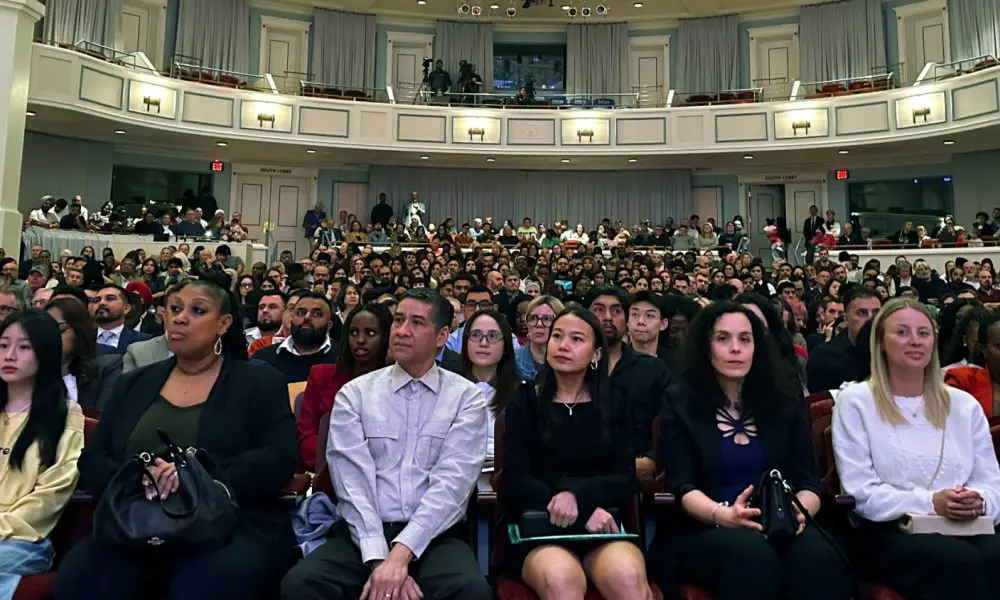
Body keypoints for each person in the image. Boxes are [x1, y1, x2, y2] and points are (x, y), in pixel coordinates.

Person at [54, 280, 299, 600]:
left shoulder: (259, 382)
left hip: (228, 521)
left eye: (197, 310)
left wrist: (190, 476)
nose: (180, 318)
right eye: (174, 309)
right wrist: (140, 476)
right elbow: (95, 457)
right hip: (135, 517)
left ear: (224, 323)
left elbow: (276, 458)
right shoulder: (134, 384)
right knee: (80, 579)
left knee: (204, 584)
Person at [281, 289, 491, 600]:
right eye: (398, 320)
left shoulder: (466, 397)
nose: (402, 330)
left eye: (417, 322)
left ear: (442, 335)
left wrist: (400, 556)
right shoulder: (356, 394)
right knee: (302, 584)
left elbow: (452, 486)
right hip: (362, 532)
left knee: (470, 590)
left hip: (435, 535)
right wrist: (381, 559)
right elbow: (352, 483)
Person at [649, 302, 852, 599]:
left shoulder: (784, 399)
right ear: (705, 346)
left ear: (757, 347)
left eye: (745, 339)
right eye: (723, 339)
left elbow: (808, 482)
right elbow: (683, 486)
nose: (735, 349)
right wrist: (724, 515)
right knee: (752, 556)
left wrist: (799, 513)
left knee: (818, 558)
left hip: (782, 522)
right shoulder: (680, 401)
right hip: (706, 526)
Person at [832, 298, 1000, 600]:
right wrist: (931, 502)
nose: (915, 341)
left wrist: (979, 501)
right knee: (958, 562)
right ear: (881, 342)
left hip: (964, 524)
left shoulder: (963, 405)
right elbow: (860, 492)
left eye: (924, 333)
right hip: (889, 531)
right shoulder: (856, 401)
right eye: (902, 332)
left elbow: (991, 482)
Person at [501, 307, 651, 599]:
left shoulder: (615, 401)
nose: (563, 345)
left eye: (576, 339)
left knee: (628, 579)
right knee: (561, 580)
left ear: (596, 354)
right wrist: (578, 508)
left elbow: (624, 478)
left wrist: (577, 498)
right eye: (557, 336)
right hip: (541, 528)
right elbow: (516, 478)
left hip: (603, 525)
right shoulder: (525, 401)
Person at [0, 309, 85, 599]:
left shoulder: (65, 415)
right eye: (3, 345)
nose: (9, 355)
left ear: (45, 354)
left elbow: (52, 493)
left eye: (24, 347)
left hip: (22, 540)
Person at [587, 288, 671, 487]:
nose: (607, 317)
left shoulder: (653, 369)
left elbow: (671, 426)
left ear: (626, 320)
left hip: (638, 479)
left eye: (616, 311)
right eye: (599, 310)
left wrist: (650, 461)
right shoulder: (570, 367)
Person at [297, 303, 392, 470]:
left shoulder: (395, 383)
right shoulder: (320, 376)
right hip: (328, 471)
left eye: (370, 333)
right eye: (353, 333)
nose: (360, 340)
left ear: (386, 337)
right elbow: (306, 439)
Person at [460, 310, 520, 466]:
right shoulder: (448, 389)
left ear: (506, 344)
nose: (483, 343)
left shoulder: (521, 393)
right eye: (475, 335)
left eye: (493, 336)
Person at [45, 297, 122, 411]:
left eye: (60, 330)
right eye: (45, 330)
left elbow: (103, 419)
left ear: (78, 332)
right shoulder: (28, 372)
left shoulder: (106, 367)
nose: (51, 336)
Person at [254, 291, 339, 384]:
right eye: (300, 313)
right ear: (292, 319)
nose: (307, 317)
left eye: (316, 314)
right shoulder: (264, 358)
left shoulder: (343, 357)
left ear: (329, 325)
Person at [807, 289, 881, 392]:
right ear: (846, 319)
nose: (871, 318)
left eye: (876, 313)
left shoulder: (892, 352)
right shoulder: (824, 355)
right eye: (862, 313)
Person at [514, 295, 564, 381]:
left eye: (547, 318)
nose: (539, 324)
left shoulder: (569, 362)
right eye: (533, 318)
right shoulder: (512, 361)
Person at [93, 285, 152, 355]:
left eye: (110, 298)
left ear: (126, 309)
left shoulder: (144, 341)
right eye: (97, 300)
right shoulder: (80, 338)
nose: (101, 303)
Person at [627, 291, 668, 361]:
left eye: (649, 315)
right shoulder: (614, 360)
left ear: (663, 324)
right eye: (635, 314)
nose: (641, 321)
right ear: (627, 321)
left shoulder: (676, 363)